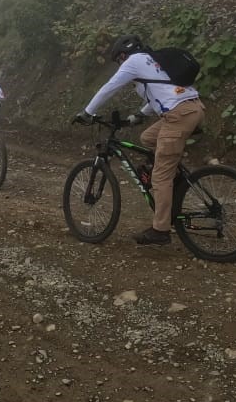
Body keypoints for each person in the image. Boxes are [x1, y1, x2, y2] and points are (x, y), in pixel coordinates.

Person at [70, 34, 203, 245]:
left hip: (179, 114)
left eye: (118, 60)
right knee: (147, 137)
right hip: (189, 108)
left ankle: (160, 230)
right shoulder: (152, 60)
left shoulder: (134, 61)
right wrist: (140, 115)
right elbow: (162, 90)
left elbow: (109, 87)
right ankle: (175, 179)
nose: (119, 64)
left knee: (160, 176)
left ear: (123, 55)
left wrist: (87, 112)